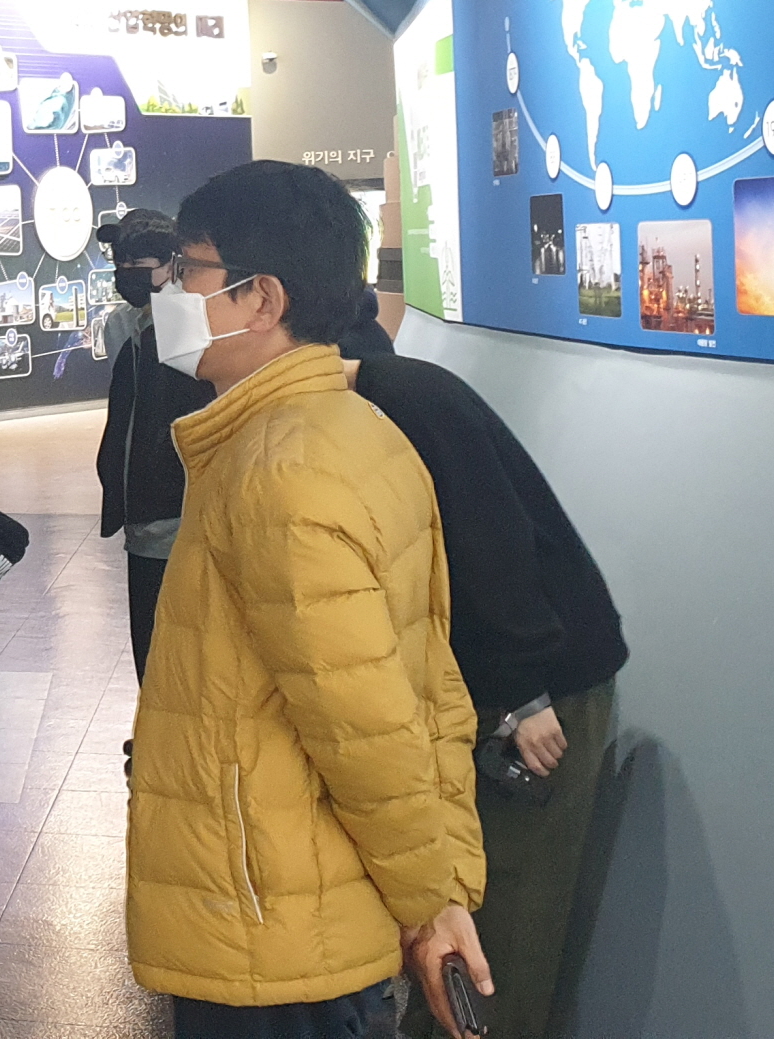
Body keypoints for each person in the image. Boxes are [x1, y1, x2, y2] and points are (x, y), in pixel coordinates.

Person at [125, 160, 490, 1039]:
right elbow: (429, 682)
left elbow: (367, 724)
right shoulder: (354, 431)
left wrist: (430, 902)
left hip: (270, 929)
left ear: (262, 298)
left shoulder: (277, 472)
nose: (169, 289)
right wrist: (443, 874)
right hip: (306, 905)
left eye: (189, 268)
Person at [337, 337, 630, 1039]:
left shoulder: (409, 400)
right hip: (497, 688)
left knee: (506, 933)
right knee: (469, 913)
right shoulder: (374, 407)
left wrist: (525, 694)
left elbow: (492, 540)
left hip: (540, 696)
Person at [93, 208, 213, 685]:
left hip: (179, 502)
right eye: (121, 267)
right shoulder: (122, 325)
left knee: (181, 640)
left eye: (140, 268)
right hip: (139, 505)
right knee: (147, 636)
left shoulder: (193, 319)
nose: (128, 277)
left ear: (171, 265)